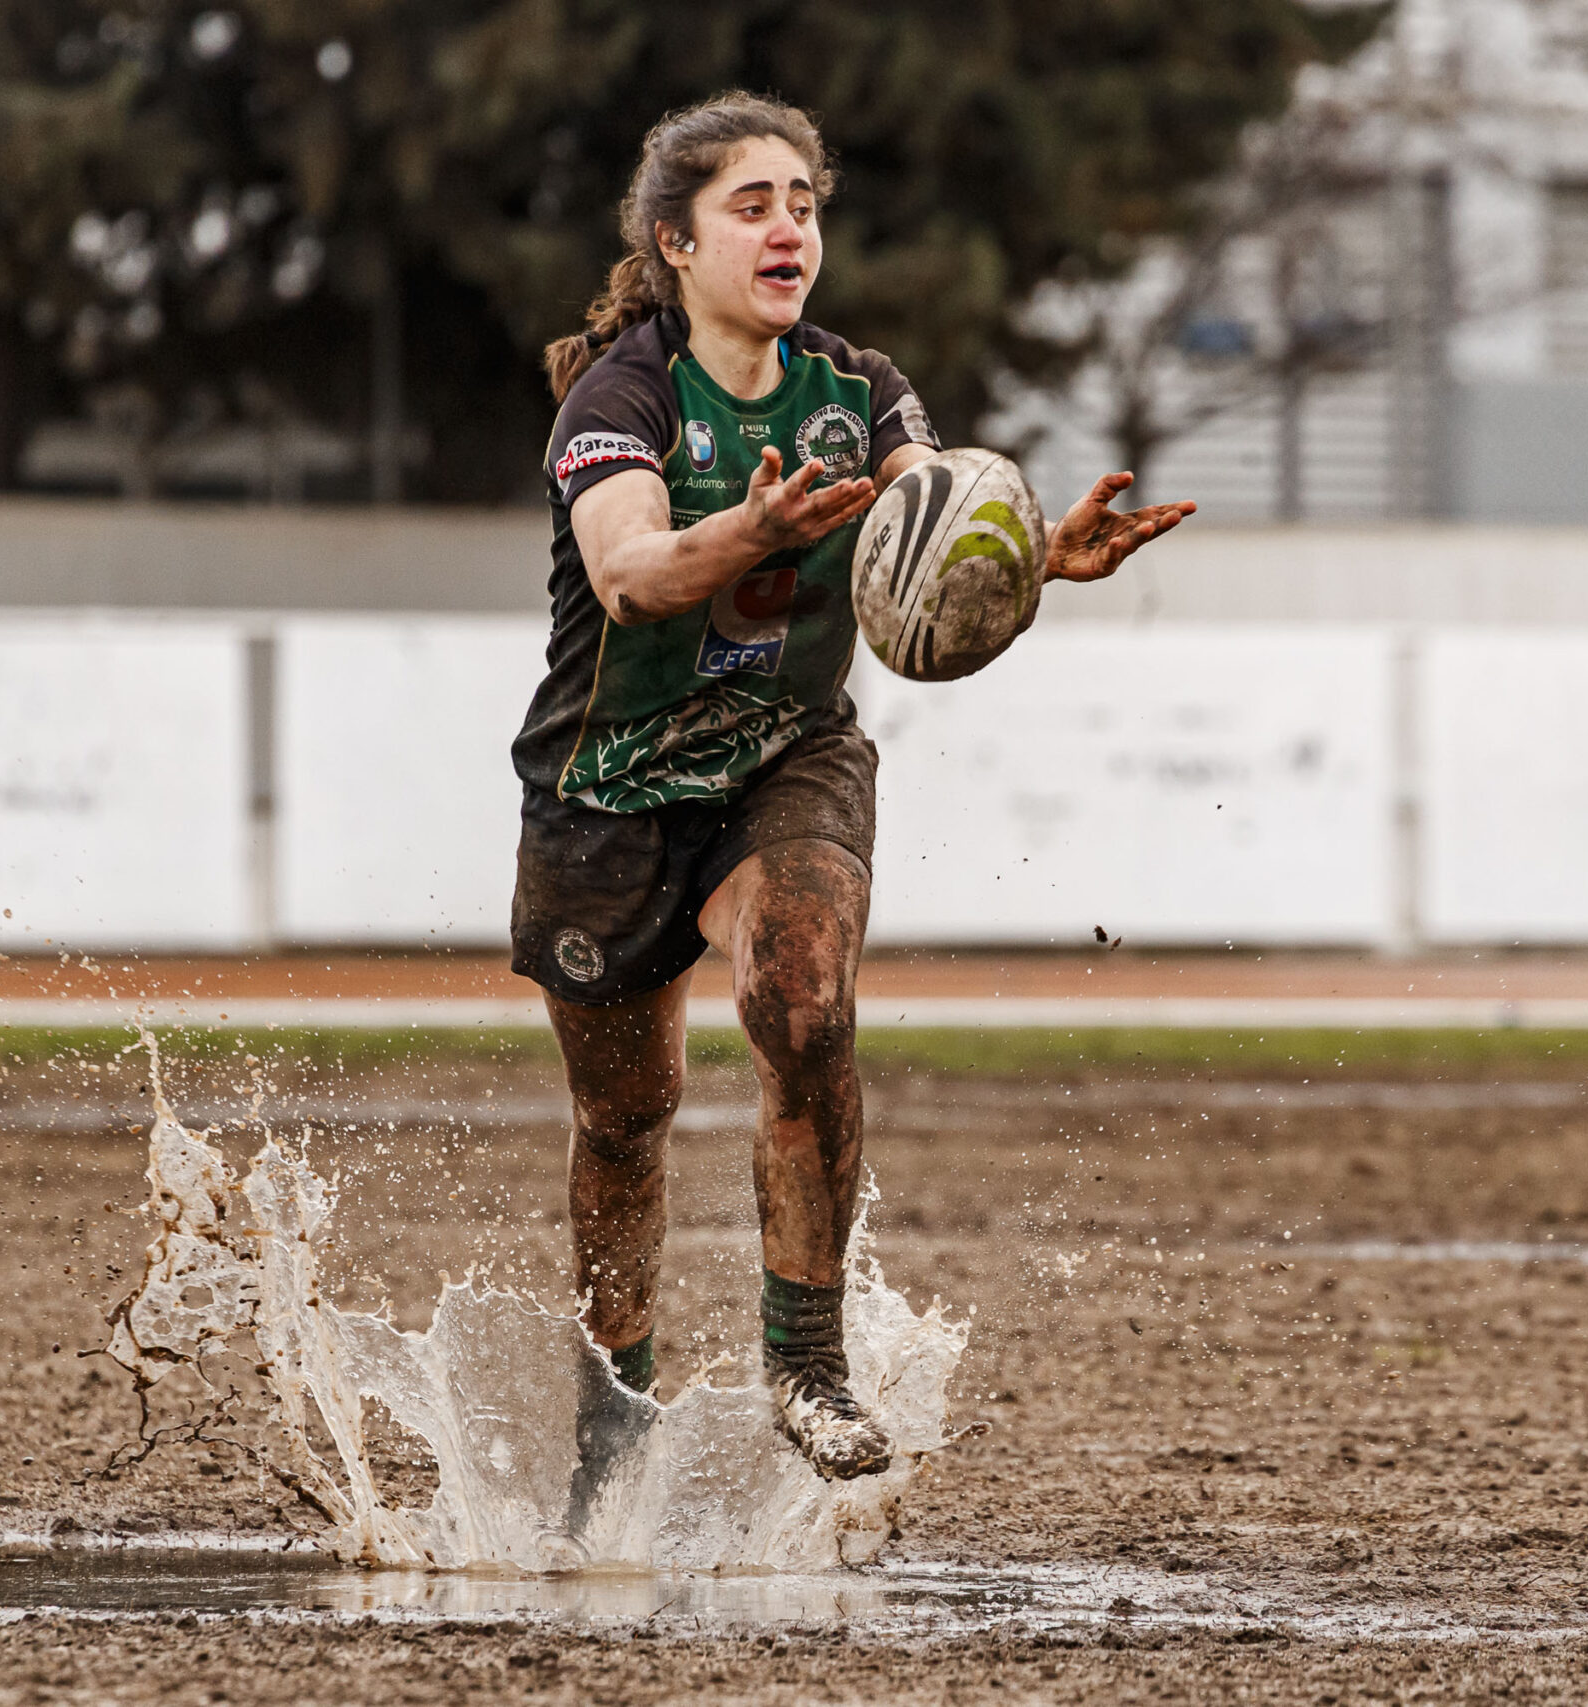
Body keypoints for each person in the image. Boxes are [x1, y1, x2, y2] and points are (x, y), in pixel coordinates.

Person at [515, 92, 1194, 1480]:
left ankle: (808, 1364)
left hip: (785, 761)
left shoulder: (858, 392)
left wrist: (1020, 558)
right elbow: (630, 575)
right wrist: (749, 528)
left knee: (804, 998)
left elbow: (927, 503)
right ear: (676, 245)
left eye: (804, 204)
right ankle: (613, 1406)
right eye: (751, 205)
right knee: (624, 1119)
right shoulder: (624, 395)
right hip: (609, 792)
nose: (787, 229)